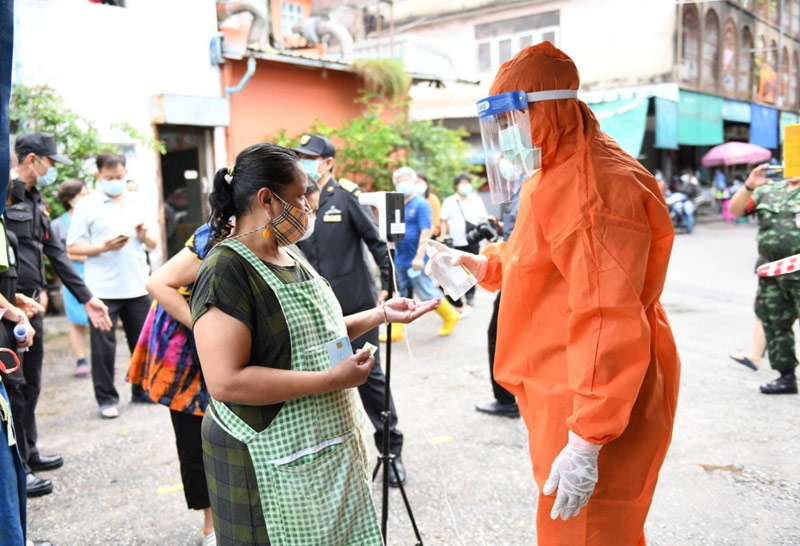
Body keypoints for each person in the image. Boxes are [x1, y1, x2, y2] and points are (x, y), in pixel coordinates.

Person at [431, 43, 680, 544]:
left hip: (593, 390)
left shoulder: (595, 188)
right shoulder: (553, 173)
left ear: (544, 110)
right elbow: (538, 261)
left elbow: (606, 316)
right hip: (565, 385)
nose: (505, 135)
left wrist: (588, 435)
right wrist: (483, 265)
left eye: (511, 120)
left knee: (589, 530)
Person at [191, 143, 438, 545]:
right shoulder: (226, 269)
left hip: (324, 451)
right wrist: (330, 379)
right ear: (267, 200)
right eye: (301, 196)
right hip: (265, 461)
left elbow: (317, 335)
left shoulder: (290, 253)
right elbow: (226, 382)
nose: (310, 206)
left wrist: (380, 314)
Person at [293, 134, 408, 486]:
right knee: (330, 379)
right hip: (321, 314)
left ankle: (391, 451)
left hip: (357, 305)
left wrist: (388, 284)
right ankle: (336, 457)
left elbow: (377, 243)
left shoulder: (345, 197)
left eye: (310, 157)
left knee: (370, 378)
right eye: (300, 157)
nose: (304, 162)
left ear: (328, 162)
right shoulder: (296, 200)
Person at [5, 132, 112, 497]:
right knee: (15, 389)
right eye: (50, 162)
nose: (52, 169)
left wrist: (87, 298)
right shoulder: (6, 197)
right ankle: (18, 468)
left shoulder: (37, 200)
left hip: (32, 307)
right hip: (9, 308)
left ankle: (29, 451)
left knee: (31, 385)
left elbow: (56, 254)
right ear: (31, 159)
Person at [126, 223, 215, 544]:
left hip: (219, 340)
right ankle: (210, 525)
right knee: (195, 438)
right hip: (183, 349)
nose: (306, 212)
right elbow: (157, 282)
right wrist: (203, 327)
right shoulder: (216, 234)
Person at [67, 152, 158, 418]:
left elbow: (153, 244)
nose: (115, 181)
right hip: (102, 290)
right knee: (103, 348)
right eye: (110, 177)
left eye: (119, 176)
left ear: (125, 173)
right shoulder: (87, 205)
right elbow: (72, 248)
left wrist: (144, 235)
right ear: (99, 175)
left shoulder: (137, 201)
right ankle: (106, 399)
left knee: (142, 343)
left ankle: (142, 390)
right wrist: (103, 247)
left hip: (138, 285)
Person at [729, 163, 800, 394]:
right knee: (775, 324)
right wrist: (750, 184)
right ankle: (786, 376)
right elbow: (736, 210)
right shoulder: (768, 190)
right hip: (771, 272)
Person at [393, 167, 460, 337]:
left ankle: (450, 316)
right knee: (400, 293)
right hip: (401, 256)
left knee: (426, 291)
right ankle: (397, 330)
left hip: (416, 257)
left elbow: (426, 230)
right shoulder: (397, 204)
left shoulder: (421, 203)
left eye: (406, 180)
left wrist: (419, 256)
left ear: (413, 182)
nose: (403, 184)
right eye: (400, 181)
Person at [476, 177, 521, 418]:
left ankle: (506, 400)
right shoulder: (523, 183)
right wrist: (500, 228)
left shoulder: (534, 181)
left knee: (499, 335)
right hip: (514, 266)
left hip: (519, 270)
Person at [49, 179, 90, 378]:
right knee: (76, 319)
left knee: (101, 317)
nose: (86, 199)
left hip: (97, 274)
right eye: (83, 195)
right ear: (71, 199)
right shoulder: (57, 225)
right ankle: (81, 360)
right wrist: (84, 256)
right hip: (73, 276)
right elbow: (56, 253)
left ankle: (103, 359)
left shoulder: (93, 218)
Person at [439, 173, 490, 313]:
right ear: (456, 186)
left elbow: (484, 219)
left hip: (473, 240)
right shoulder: (449, 201)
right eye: (462, 183)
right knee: (457, 269)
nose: (465, 186)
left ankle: (470, 296)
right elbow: (443, 220)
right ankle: (459, 294)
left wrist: (486, 239)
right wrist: (442, 235)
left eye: (467, 183)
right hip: (456, 242)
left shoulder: (476, 199)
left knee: (472, 269)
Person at [416, 172, 441, 237]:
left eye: (419, 182)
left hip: (430, 235)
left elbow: (436, 223)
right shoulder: (408, 201)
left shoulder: (432, 199)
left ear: (426, 184)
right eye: (415, 182)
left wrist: (424, 238)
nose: (417, 184)